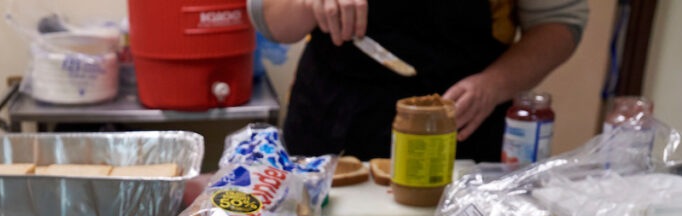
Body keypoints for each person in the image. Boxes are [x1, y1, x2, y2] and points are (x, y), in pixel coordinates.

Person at [248, 0, 589, 161]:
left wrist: (494, 85)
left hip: (464, 135)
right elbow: (272, 21)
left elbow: (558, 22)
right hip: (330, 127)